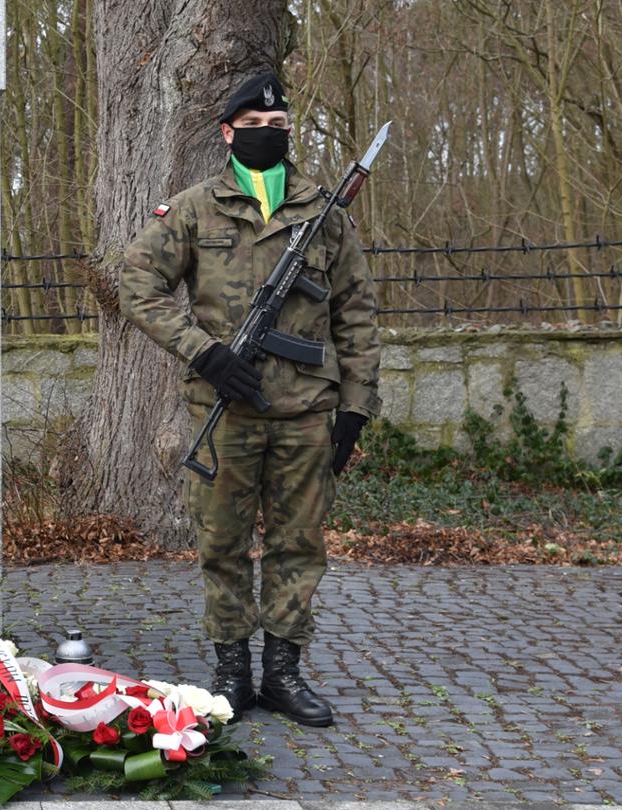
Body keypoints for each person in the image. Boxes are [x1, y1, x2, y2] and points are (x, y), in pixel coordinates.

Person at [117, 72, 381, 728]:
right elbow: (136, 282)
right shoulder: (195, 208)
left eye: (278, 126)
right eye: (253, 127)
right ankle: (232, 672)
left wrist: (355, 407)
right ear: (227, 133)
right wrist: (203, 351)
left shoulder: (325, 214)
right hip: (225, 411)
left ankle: (284, 673)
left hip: (304, 414)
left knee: (299, 545)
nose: (267, 135)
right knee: (223, 543)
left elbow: (357, 313)